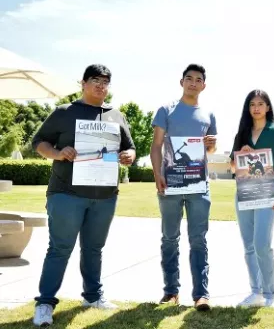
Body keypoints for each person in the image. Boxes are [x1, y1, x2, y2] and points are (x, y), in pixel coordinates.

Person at [31, 64, 136, 327]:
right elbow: (39, 143)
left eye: (105, 82)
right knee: (59, 249)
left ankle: (93, 296)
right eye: (95, 81)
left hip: (104, 195)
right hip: (67, 193)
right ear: (83, 83)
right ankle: (44, 303)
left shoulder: (116, 115)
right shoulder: (64, 112)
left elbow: (130, 148)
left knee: (93, 249)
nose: (101, 86)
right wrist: (57, 153)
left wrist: (129, 156)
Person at [150, 63, 217, 311]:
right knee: (170, 239)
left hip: (199, 186)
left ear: (203, 85)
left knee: (198, 239)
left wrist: (211, 144)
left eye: (198, 80)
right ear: (182, 82)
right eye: (188, 78)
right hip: (170, 184)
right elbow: (156, 146)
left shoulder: (208, 115)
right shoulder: (166, 110)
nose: (193, 83)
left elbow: (209, 150)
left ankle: (201, 295)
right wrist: (158, 174)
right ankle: (170, 292)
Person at [229, 89, 274, 307]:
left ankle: (270, 294)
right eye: (252, 104)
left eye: (260, 104)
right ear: (248, 108)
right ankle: (255, 292)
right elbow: (232, 165)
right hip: (244, 188)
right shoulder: (242, 133)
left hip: (267, 186)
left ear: (268, 107)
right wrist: (244, 153)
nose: (256, 108)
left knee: (262, 243)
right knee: (248, 244)